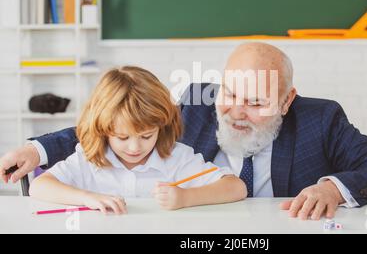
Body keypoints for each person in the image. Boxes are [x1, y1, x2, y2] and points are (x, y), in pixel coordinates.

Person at [1, 42, 367, 220]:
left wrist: (332, 188)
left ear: (286, 101)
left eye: (256, 103)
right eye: (231, 93)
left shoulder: (321, 119)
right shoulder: (199, 101)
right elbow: (120, 123)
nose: (237, 111)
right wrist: (39, 151)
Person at [28, 66, 246, 214]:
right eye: (122, 137)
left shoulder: (176, 157)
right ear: (103, 129)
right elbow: (39, 186)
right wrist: (87, 198)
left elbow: (236, 188)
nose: (135, 148)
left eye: (146, 136)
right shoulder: (89, 158)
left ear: (162, 127)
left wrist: (186, 198)